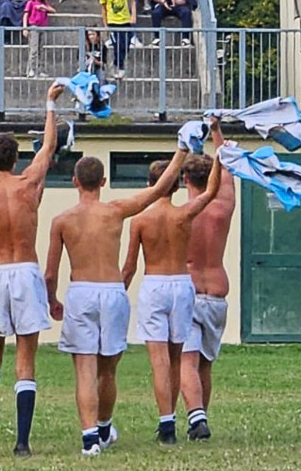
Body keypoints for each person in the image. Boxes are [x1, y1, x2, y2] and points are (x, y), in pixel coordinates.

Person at [45, 147, 189, 456]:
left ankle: (90, 439)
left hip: (81, 290)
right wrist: (182, 151)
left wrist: (52, 299)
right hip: (111, 292)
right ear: (104, 181)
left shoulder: (61, 220)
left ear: (74, 182)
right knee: (107, 370)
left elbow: (50, 272)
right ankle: (104, 426)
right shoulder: (115, 211)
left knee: (84, 368)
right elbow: (160, 189)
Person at [0, 82, 63, 457]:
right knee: (26, 360)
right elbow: (49, 147)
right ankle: (22, 442)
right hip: (25, 270)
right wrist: (50, 104)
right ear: (14, 157)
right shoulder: (27, 186)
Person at [122, 125, 224, 446]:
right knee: (179, 356)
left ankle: (167, 423)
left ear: (151, 185)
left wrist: (119, 293)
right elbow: (210, 192)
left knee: (159, 359)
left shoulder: (140, 219)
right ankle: (181, 420)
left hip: (155, 283)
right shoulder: (184, 215)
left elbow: (130, 265)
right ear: (176, 184)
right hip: (183, 285)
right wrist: (219, 159)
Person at [180, 125, 236, 441]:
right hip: (216, 292)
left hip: (188, 290)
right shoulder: (223, 208)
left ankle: (196, 417)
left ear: (185, 180)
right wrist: (216, 133)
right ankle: (200, 418)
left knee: (187, 361)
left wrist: (184, 146)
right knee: (205, 364)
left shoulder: (180, 214)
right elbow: (226, 172)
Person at [99, 0, 136, 79]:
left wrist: (133, 15)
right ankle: (119, 66)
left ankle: (118, 63)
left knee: (126, 44)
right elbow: (104, 9)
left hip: (125, 20)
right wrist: (105, 24)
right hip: (113, 22)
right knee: (117, 45)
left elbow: (132, 1)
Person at [23, 0, 55, 78]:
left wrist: (44, 8)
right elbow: (25, 15)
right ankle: (31, 69)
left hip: (43, 28)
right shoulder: (30, 3)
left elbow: (53, 10)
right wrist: (25, 28)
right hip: (34, 27)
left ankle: (40, 70)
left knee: (41, 50)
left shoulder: (44, 4)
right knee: (33, 50)